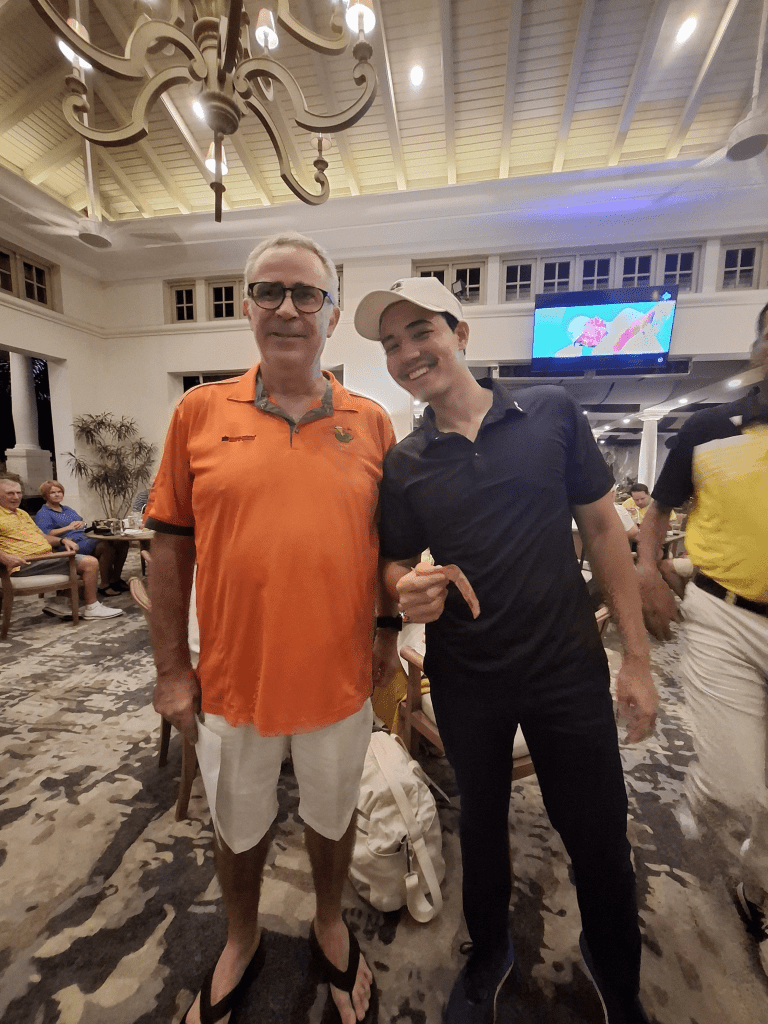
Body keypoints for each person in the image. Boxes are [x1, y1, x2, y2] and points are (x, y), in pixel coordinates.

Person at [354, 276, 657, 1024]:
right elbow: (393, 563)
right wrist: (403, 586)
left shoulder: (550, 411)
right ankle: (489, 955)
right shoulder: (405, 463)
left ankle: (616, 972)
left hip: (566, 668)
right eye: (390, 344)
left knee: (597, 832)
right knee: (481, 829)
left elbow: (603, 529)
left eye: (420, 331)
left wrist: (638, 658)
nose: (406, 352)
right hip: (467, 676)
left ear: (460, 334)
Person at [146, 232, 400, 1024]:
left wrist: (388, 632)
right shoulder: (198, 411)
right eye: (269, 291)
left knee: (333, 816)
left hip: (337, 677)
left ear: (331, 314)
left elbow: (387, 547)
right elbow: (168, 550)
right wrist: (170, 669)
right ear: (248, 306)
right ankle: (241, 935)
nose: (288, 308)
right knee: (237, 824)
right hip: (232, 679)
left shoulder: (372, 421)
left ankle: (328, 921)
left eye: (306, 294)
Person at [638, 301, 768, 978]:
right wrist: (648, 575)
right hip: (725, 614)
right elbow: (656, 511)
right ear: (760, 346)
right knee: (739, 785)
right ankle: (711, 787)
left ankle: (759, 890)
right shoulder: (709, 428)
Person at [0, 478, 122, 620]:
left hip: (46, 557)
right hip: (24, 563)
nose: (16, 497)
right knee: (90, 562)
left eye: (18, 493)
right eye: (10, 493)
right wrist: (4, 557)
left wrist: (62, 540)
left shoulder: (22, 513)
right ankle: (92, 607)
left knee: (107, 545)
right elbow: (49, 531)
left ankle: (60, 603)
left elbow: (42, 536)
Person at [34, 480, 130, 597]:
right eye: (53, 492)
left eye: (59, 491)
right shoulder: (43, 513)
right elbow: (46, 534)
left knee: (121, 543)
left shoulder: (67, 509)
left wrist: (82, 523)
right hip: (68, 544)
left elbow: (81, 521)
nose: (57, 494)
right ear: (45, 495)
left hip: (84, 537)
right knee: (105, 545)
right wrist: (68, 527)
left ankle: (115, 579)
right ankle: (104, 585)